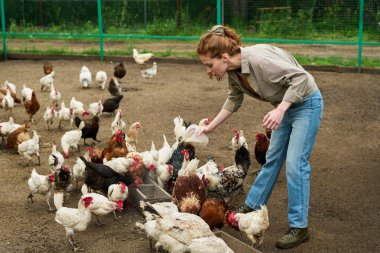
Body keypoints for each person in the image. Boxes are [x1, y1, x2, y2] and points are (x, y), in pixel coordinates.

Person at [197, 25, 323, 249]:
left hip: (306, 105)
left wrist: (280, 110)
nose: (208, 71)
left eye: (209, 65)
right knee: (272, 160)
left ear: (224, 57)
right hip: (285, 106)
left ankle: (299, 227)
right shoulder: (234, 71)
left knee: (296, 164)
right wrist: (210, 127)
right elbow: (234, 99)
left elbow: (301, 79)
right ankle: (252, 206)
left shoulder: (259, 60)